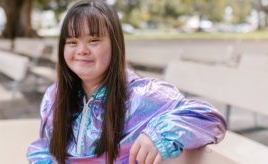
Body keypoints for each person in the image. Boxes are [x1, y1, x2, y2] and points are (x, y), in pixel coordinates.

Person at [27, 0, 227, 164]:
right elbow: (45, 147)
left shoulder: (143, 95)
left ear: (115, 45)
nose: (81, 51)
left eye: (93, 40)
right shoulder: (54, 96)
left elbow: (210, 118)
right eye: (72, 42)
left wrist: (159, 135)